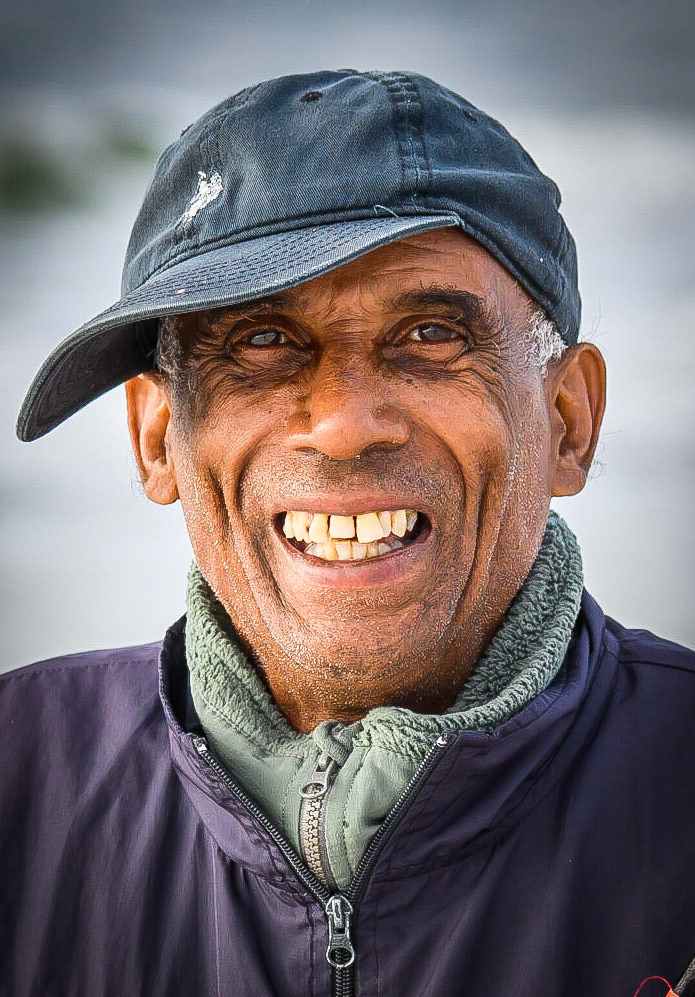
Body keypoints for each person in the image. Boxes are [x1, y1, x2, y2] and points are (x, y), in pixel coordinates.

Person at [3, 70, 694, 997]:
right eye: (259, 341)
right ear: (157, 437)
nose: (341, 425)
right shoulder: (19, 776)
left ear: (568, 421)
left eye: (430, 334)